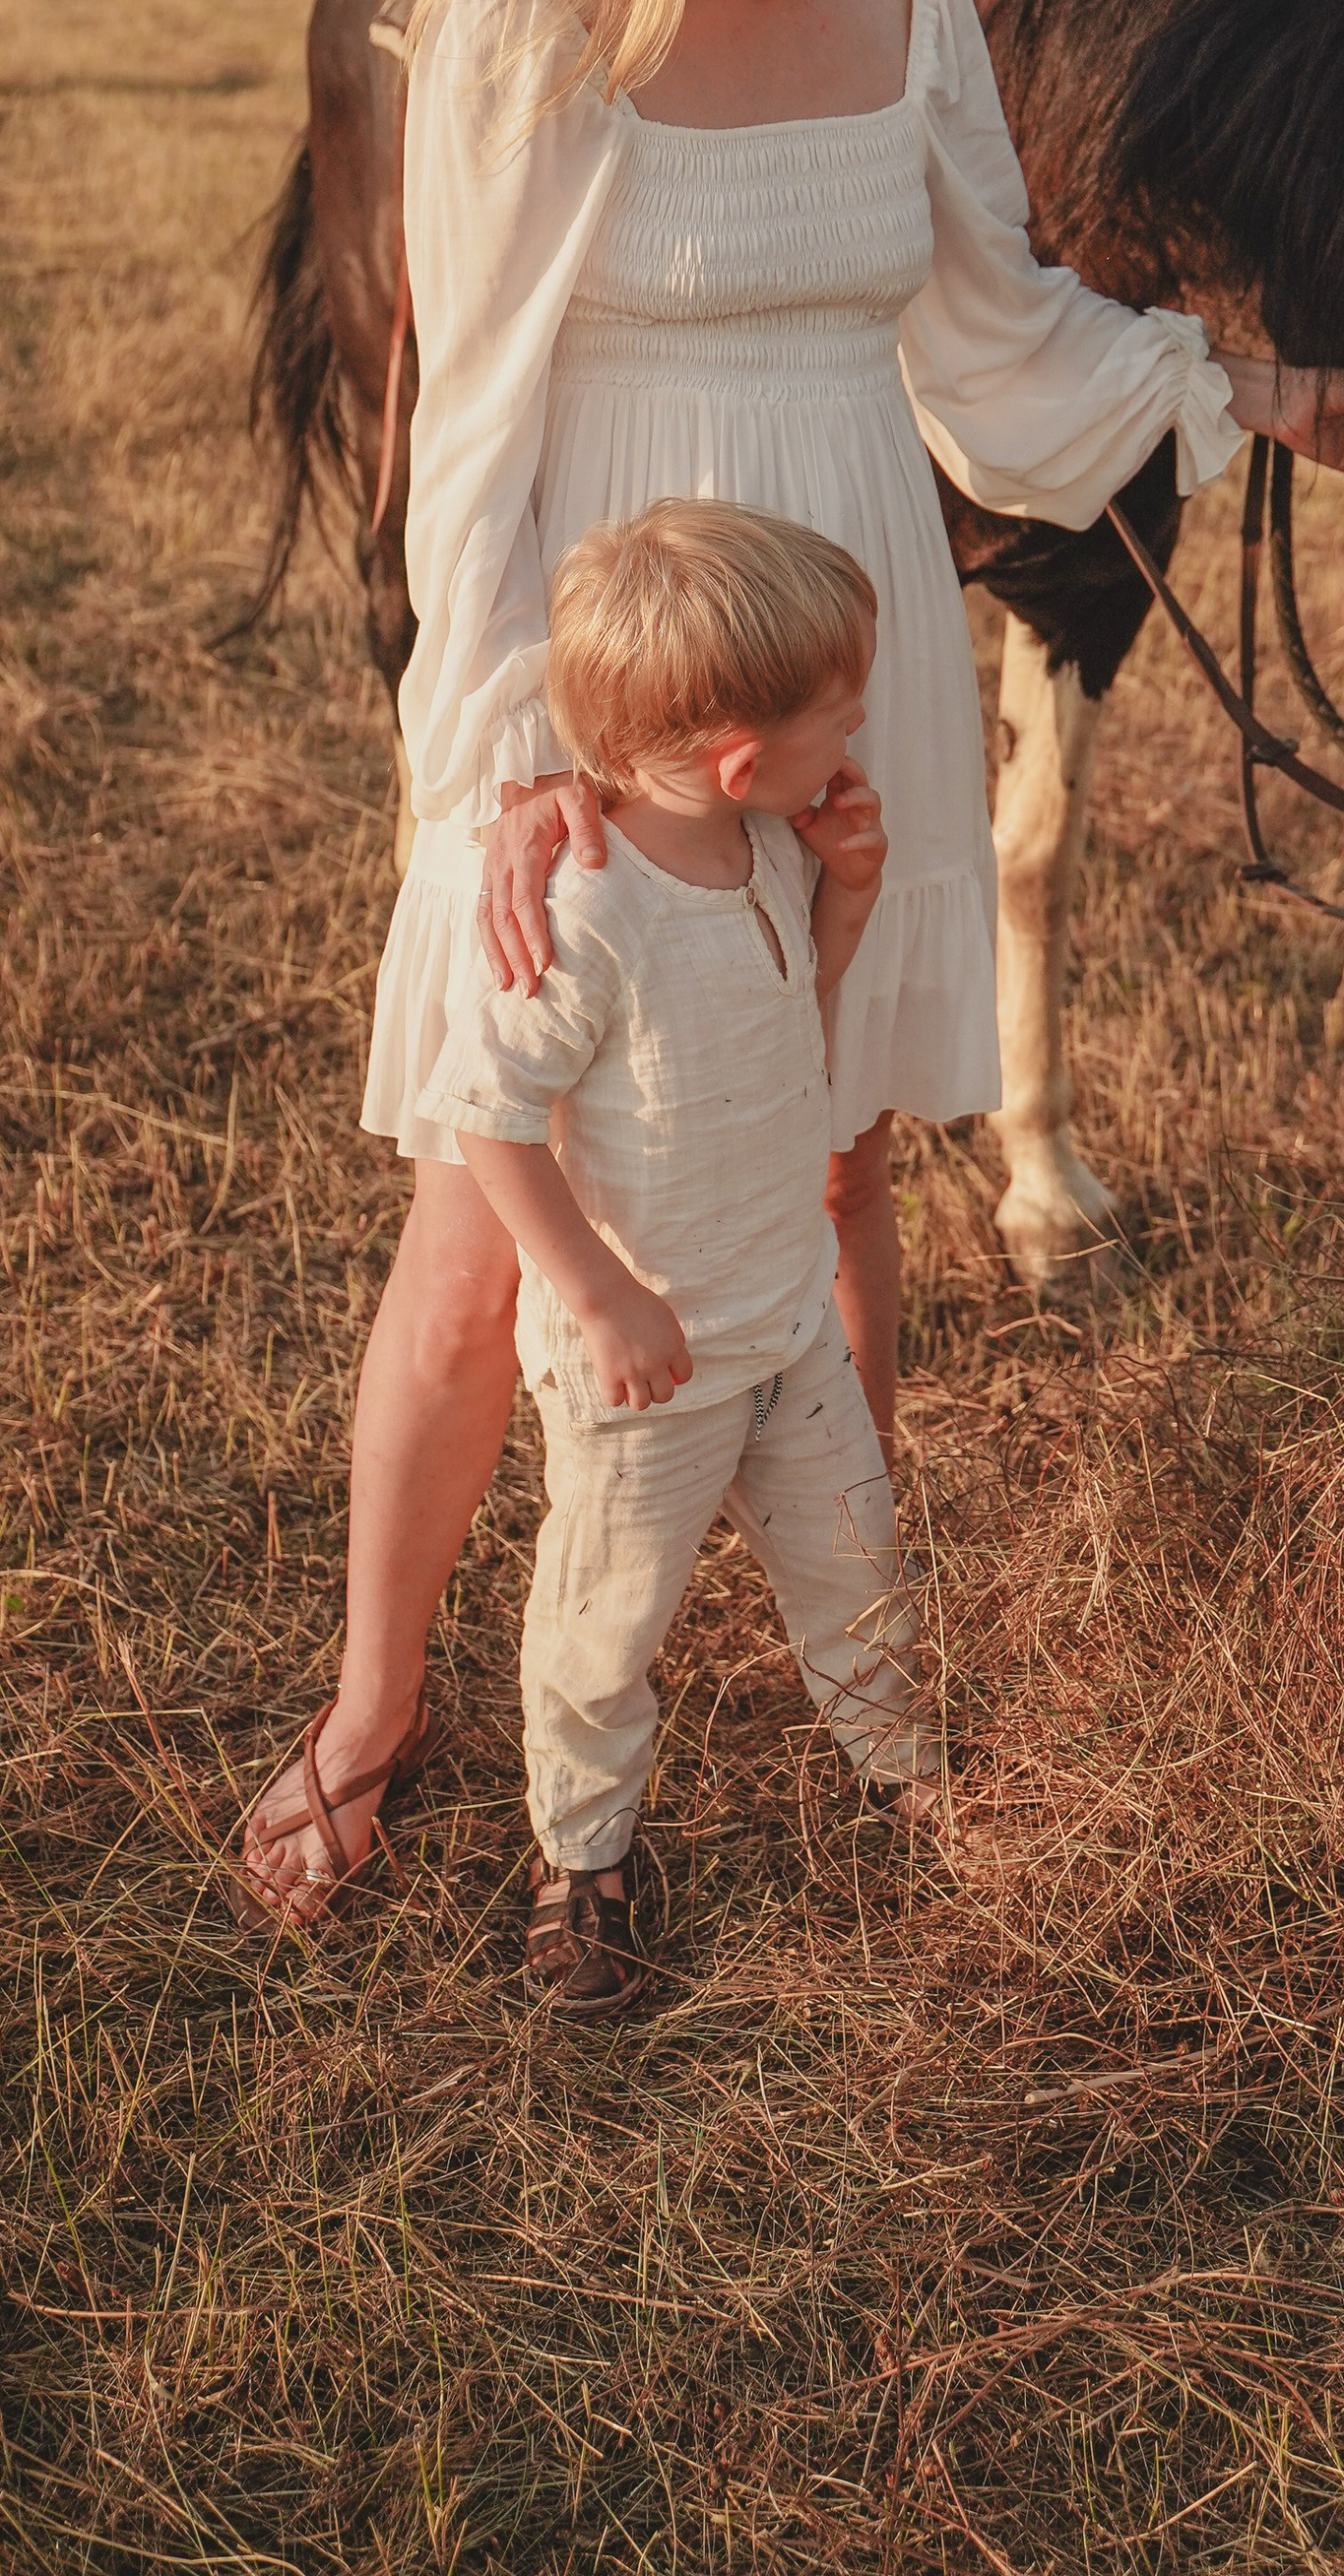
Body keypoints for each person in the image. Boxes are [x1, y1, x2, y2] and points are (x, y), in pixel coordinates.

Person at [237, 0, 1344, 1924]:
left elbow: (989, 347)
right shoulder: (528, 12)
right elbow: (476, 441)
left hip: (847, 631)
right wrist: (506, 766)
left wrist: (1253, 393)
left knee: (842, 1152)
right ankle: (376, 1695)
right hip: (616, 660)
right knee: (486, 1213)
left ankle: (870, 1657)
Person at [418, 498, 928, 2007]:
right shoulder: (588, 918)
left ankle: (907, 1773)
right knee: (604, 1623)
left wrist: (846, 890)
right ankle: (583, 1864)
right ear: (732, 759)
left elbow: (799, 1011)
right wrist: (599, 1294)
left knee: (857, 1559)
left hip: (788, 1328)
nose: (859, 733)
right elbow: (488, 1116)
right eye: (841, 713)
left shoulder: (766, 852)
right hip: (646, 1375)